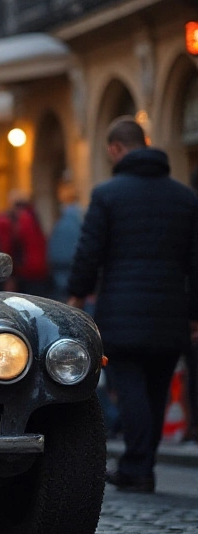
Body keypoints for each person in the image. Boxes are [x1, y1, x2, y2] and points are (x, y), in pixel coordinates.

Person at [67, 118, 198, 493]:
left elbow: (89, 252)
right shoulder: (185, 197)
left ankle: (137, 468)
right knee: (156, 389)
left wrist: (76, 297)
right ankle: (143, 464)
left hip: (123, 313)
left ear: (115, 149)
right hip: (171, 312)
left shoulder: (108, 194)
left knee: (131, 388)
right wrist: (194, 314)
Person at [0, 190, 51, 295]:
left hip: (26, 271)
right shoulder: (33, 216)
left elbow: (10, 247)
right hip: (40, 270)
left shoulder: (20, 220)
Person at [46, 181, 83, 300]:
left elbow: (53, 250)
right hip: (74, 270)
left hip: (60, 271)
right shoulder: (78, 221)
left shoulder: (60, 223)